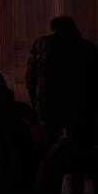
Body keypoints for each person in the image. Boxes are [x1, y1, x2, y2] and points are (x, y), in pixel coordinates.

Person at [26, 15, 98, 143]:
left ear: (53, 29)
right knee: (82, 145)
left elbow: (30, 79)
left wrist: (36, 102)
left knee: (47, 143)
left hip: (48, 104)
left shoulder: (40, 45)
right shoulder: (89, 48)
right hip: (80, 105)